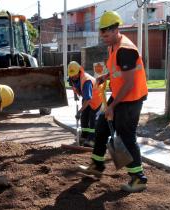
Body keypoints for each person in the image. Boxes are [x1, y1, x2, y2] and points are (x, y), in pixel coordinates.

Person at [81, 11, 148, 193]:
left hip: (131, 97)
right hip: (120, 95)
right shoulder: (113, 46)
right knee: (101, 127)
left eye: (107, 34)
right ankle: (97, 165)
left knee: (126, 137)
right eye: (102, 34)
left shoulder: (126, 49)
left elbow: (129, 82)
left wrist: (112, 106)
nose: (104, 38)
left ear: (116, 29)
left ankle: (138, 178)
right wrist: (106, 75)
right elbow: (118, 70)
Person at [68, 61, 103, 147]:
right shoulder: (72, 78)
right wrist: (75, 94)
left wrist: (79, 111)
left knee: (92, 118)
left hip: (96, 99)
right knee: (84, 117)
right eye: (72, 75)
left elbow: (88, 99)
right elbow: (73, 85)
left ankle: (92, 140)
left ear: (79, 71)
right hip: (87, 98)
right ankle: (84, 136)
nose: (73, 77)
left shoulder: (86, 81)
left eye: (75, 74)